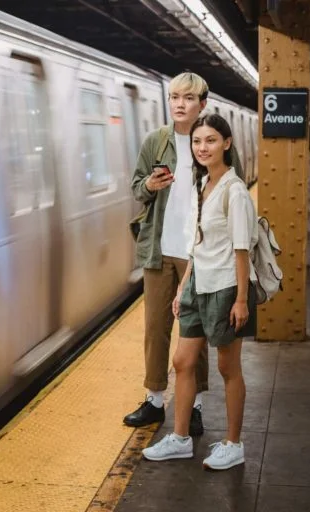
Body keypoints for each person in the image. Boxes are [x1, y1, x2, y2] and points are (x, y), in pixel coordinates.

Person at [124, 73, 245, 435]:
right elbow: (136, 188)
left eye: (188, 98)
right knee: (155, 329)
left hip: (199, 253)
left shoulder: (212, 141)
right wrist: (149, 185)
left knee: (197, 330)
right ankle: (154, 400)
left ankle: (192, 405)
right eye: (175, 96)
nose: (179, 104)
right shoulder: (156, 142)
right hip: (161, 248)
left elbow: (228, 189)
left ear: (202, 103)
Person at [141, 113, 257, 470]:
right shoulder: (201, 183)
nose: (202, 148)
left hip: (225, 287)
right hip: (197, 283)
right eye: (196, 142)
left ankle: (234, 444)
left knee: (227, 367)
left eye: (210, 140)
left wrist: (240, 299)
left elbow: (242, 249)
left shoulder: (235, 191)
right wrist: (183, 287)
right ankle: (180, 439)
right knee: (183, 361)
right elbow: (197, 242)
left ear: (227, 144)